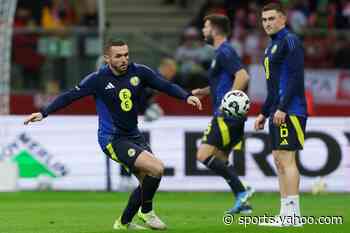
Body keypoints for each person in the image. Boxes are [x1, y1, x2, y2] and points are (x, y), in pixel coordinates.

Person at [24, 39, 202, 230]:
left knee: (147, 182)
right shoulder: (97, 79)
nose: (124, 59)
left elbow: (164, 85)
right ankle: (146, 212)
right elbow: (69, 96)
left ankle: (123, 223)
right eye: (118, 56)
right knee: (157, 168)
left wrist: (186, 95)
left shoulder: (139, 72)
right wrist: (44, 113)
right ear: (107, 58)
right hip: (112, 139)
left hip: (134, 136)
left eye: (126, 54)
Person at [191, 14, 253, 215]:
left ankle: (242, 190)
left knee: (203, 154)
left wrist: (229, 100)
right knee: (220, 158)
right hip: (231, 116)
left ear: (215, 30)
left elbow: (243, 76)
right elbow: (223, 81)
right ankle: (242, 201)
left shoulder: (225, 51)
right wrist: (205, 91)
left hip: (226, 115)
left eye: (205, 27)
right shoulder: (220, 54)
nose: (203, 31)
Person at [254, 3, 307, 227]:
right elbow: (273, 87)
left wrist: (283, 108)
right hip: (277, 111)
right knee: (278, 161)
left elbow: (296, 78)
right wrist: (263, 112)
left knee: (287, 159)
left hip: (291, 110)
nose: (267, 23)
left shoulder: (290, 40)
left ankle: (294, 216)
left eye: (272, 18)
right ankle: (285, 213)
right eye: (264, 19)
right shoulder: (271, 46)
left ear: (283, 19)